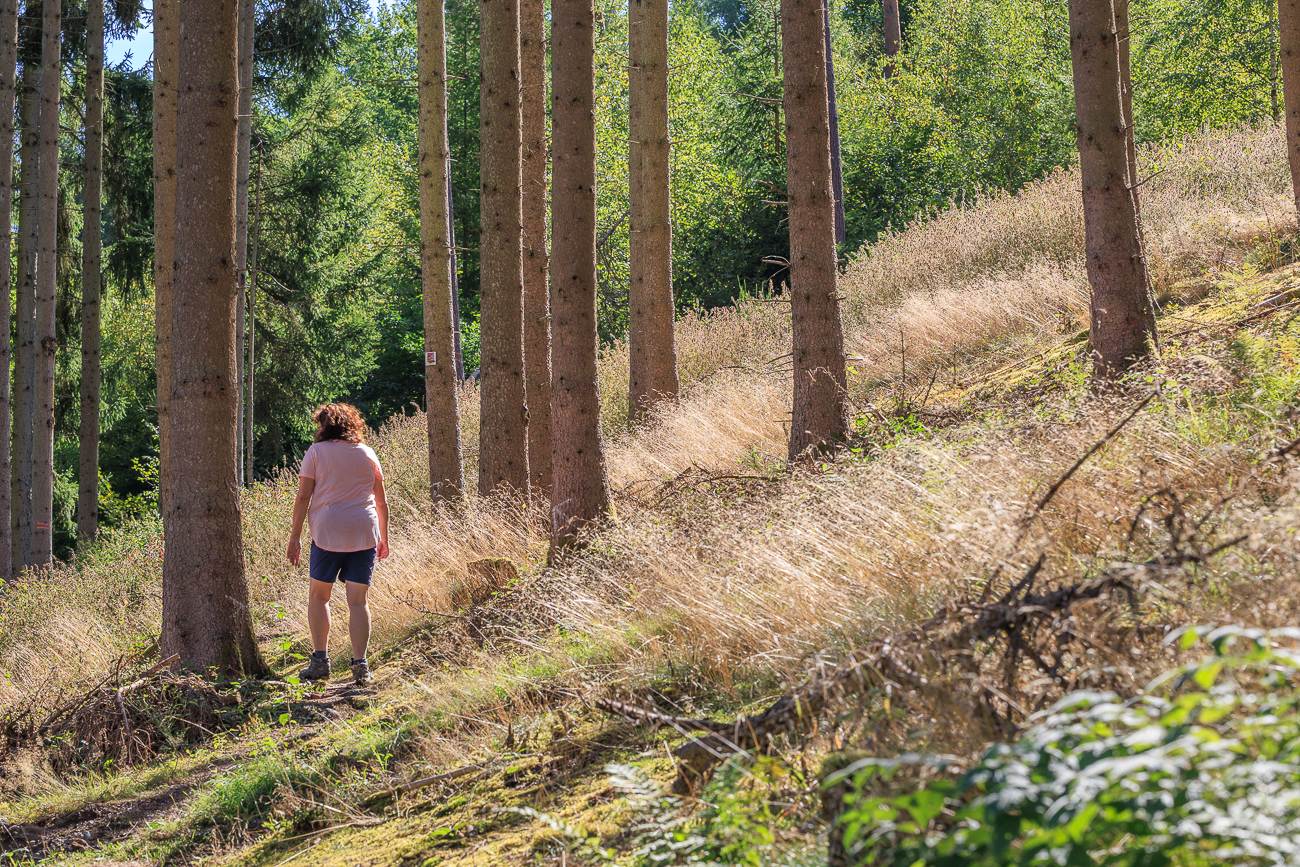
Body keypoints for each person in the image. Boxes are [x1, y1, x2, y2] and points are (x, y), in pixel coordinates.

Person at [287, 403, 390, 686]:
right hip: (364, 531)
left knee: (319, 597)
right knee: (358, 601)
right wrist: (384, 537)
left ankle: (320, 661)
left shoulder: (316, 453)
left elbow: (303, 498)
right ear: (352, 425)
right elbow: (381, 502)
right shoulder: (368, 453)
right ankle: (360, 666)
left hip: (328, 532)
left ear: (324, 425)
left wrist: (294, 536)